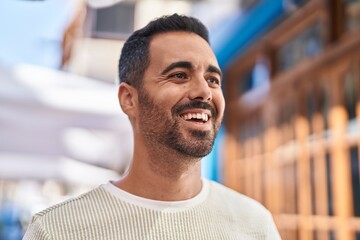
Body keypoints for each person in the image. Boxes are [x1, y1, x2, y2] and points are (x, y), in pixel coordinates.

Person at [23, 14, 282, 239]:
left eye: (213, 79)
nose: (205, 91)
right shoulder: (56, 231)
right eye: (179, 75)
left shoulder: (255, 225)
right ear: (129, 99)